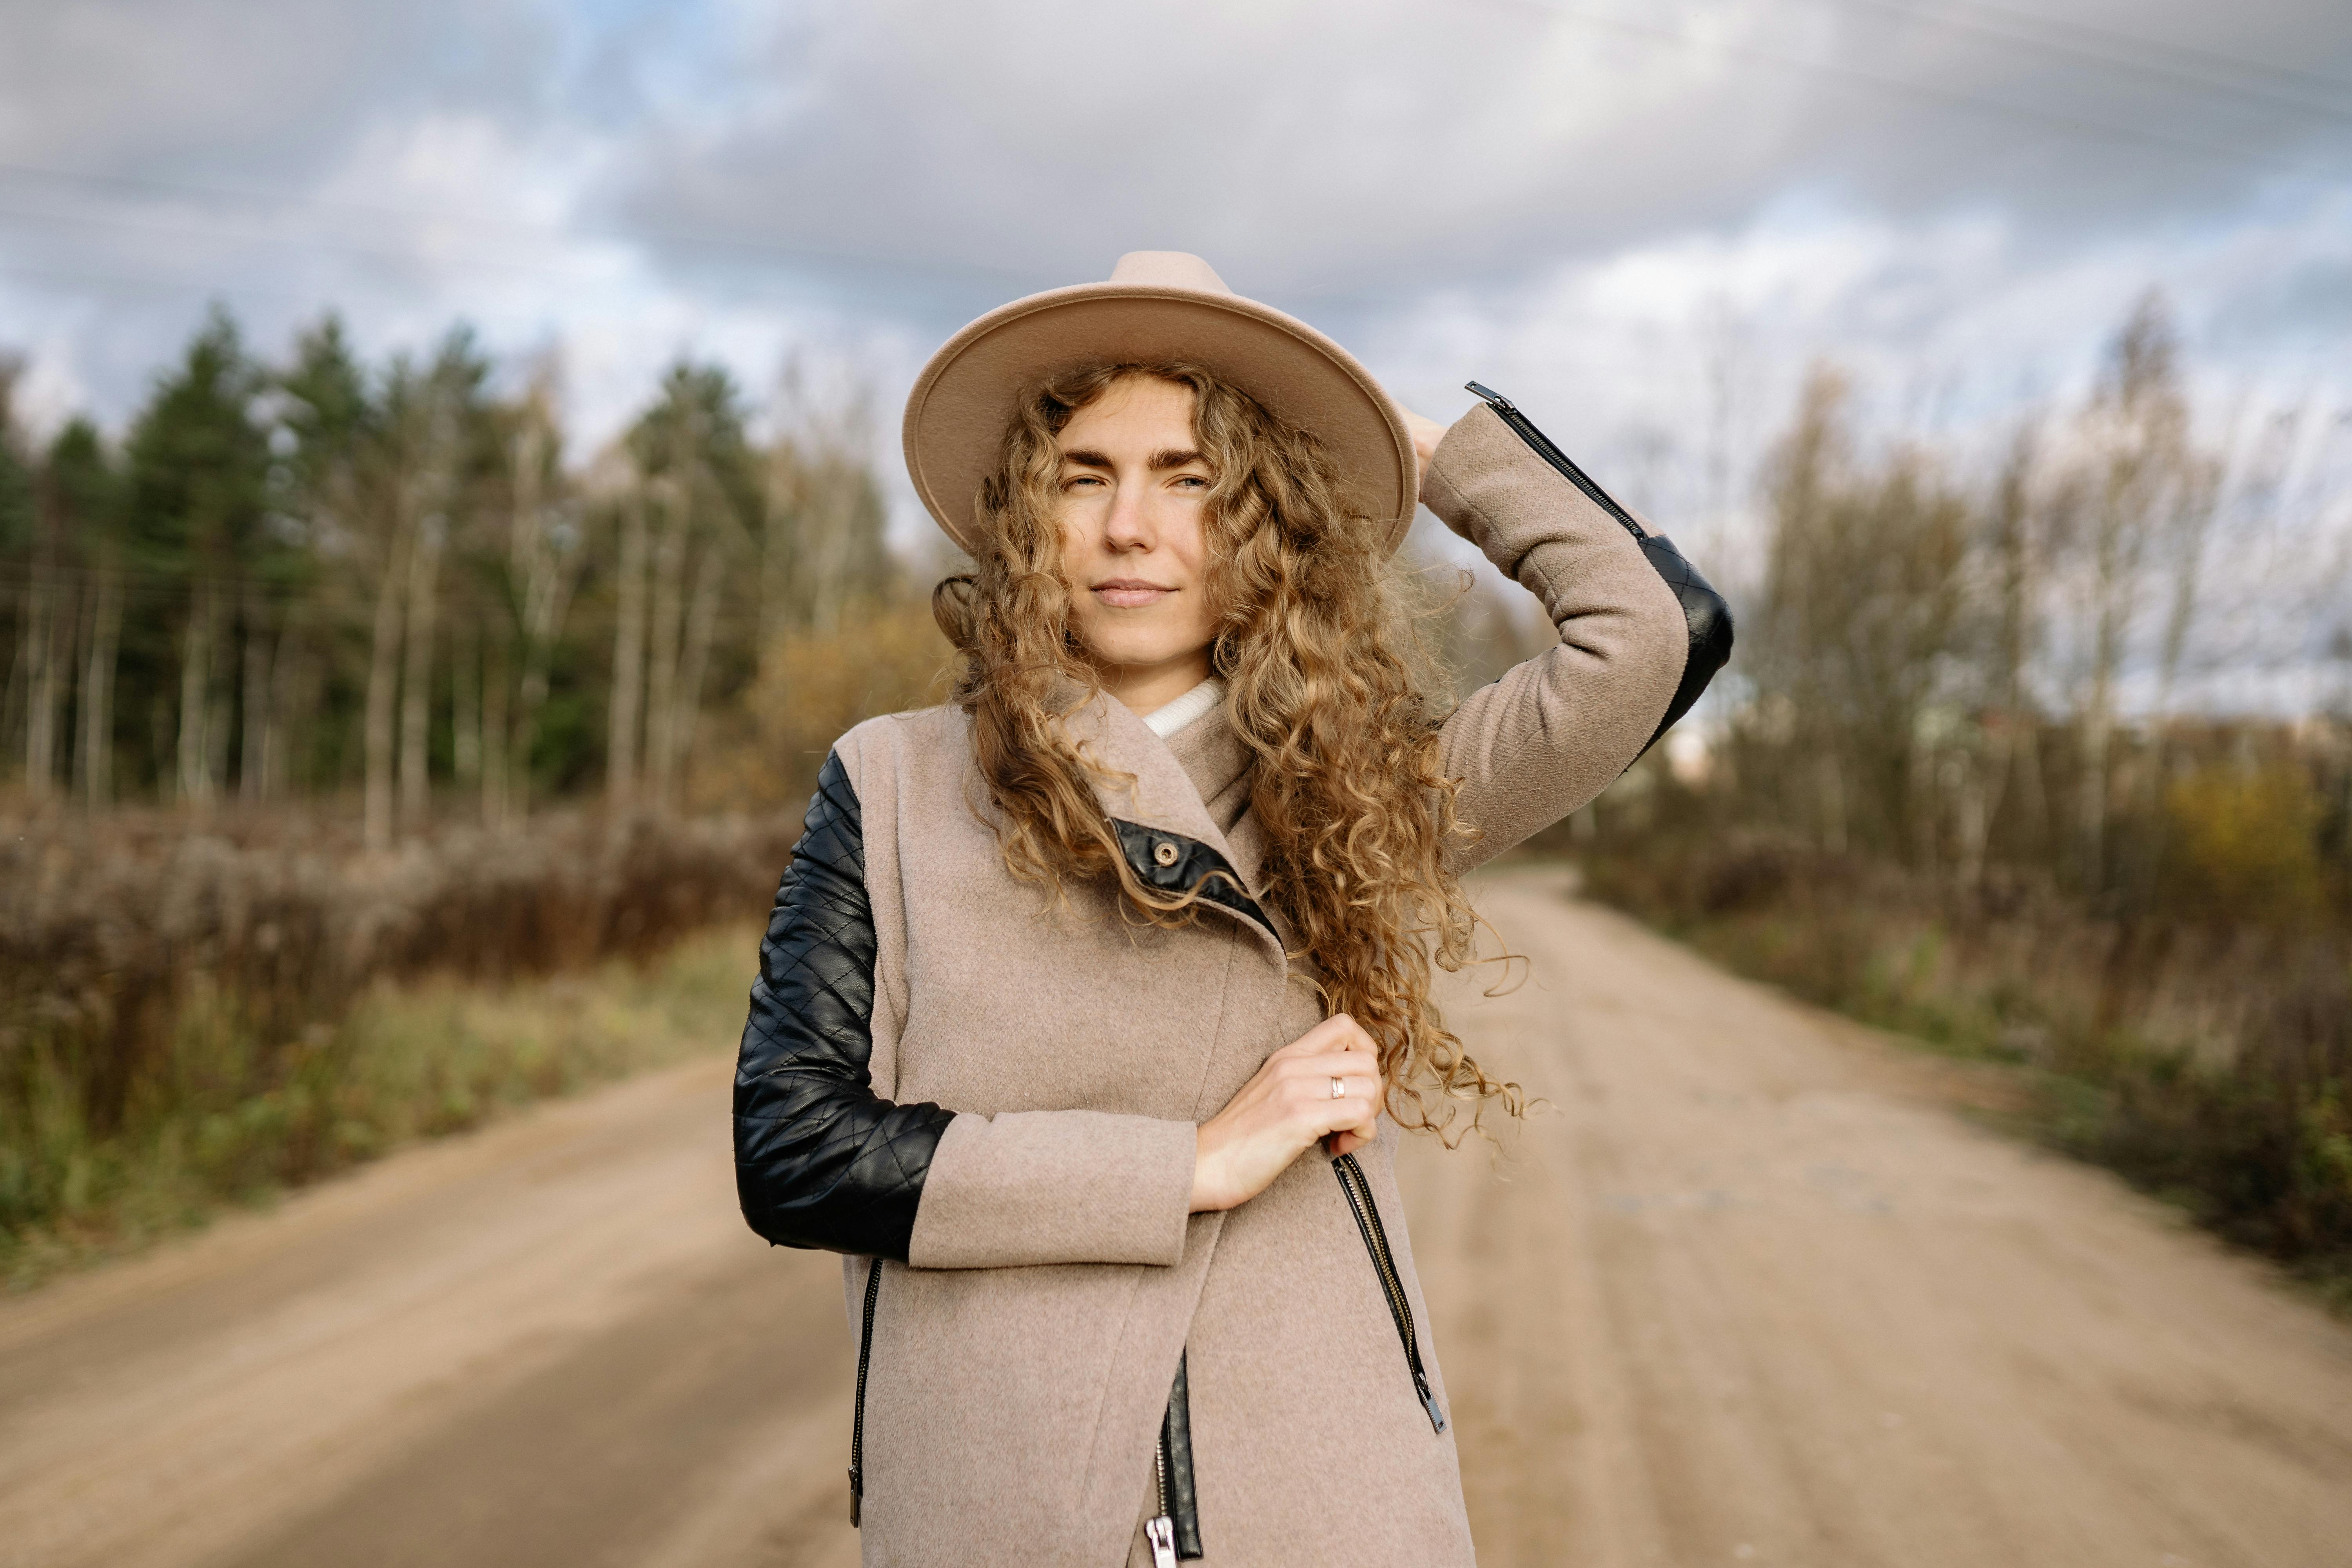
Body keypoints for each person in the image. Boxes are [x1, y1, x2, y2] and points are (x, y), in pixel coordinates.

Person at [733, 252, 1730, 1567]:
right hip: (995, 1491)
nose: (1129, 527)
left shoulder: (1366, 792)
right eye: (1085, 476)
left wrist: (1398, 445)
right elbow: (795, 1150)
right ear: (1032, 515)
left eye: (1194, 479)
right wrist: (1189, 1165)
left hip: (1316, 1490)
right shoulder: (895, 778)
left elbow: (1653, 633)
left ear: (1269, 519)